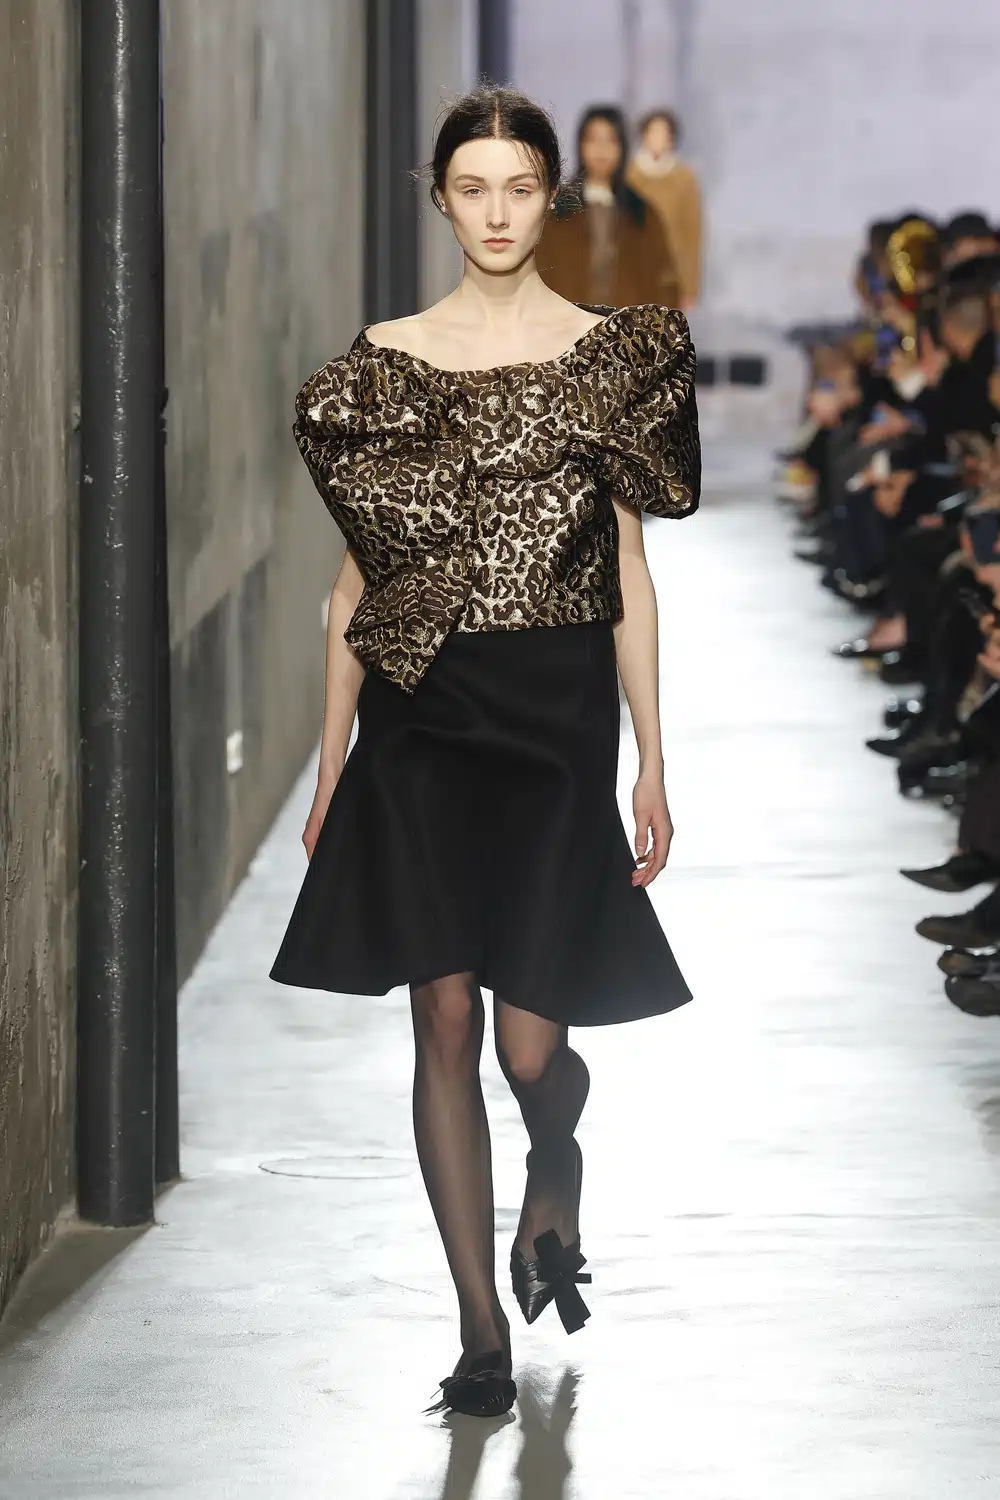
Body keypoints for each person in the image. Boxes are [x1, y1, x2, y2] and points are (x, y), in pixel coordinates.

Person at [269, 87, 701, 1419]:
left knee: (527, 1049)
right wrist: (331, 764)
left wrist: (651, 760)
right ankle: (478, 1331)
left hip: (555, 718)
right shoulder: (382, 367)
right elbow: (357, 585)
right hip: (423, 714)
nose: (498, 213)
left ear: (550, 193)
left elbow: (627, 571)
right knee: (442, 1014)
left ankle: (553, 1157)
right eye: (474, 188)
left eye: (520, 187)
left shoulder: (609, 357)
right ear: (441, 197)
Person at [534, 104, 678, 307]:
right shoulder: (557, 210)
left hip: (627, 325)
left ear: (622, 147)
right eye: (593, 140)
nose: (601, 150)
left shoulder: (642, 214)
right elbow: (536, 275)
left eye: (610, 140)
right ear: (581, 145)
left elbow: (664, 284)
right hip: (566, 323)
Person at [626, 108, 703, 311]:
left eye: (664, 133)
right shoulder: (628, 175)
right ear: (643, 136)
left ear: (672, 139)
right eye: (653, 132)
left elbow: (692, 236)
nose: (658, 139)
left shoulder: (684, 179)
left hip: (669, 276)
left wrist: (690, 287)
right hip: (631, 273)